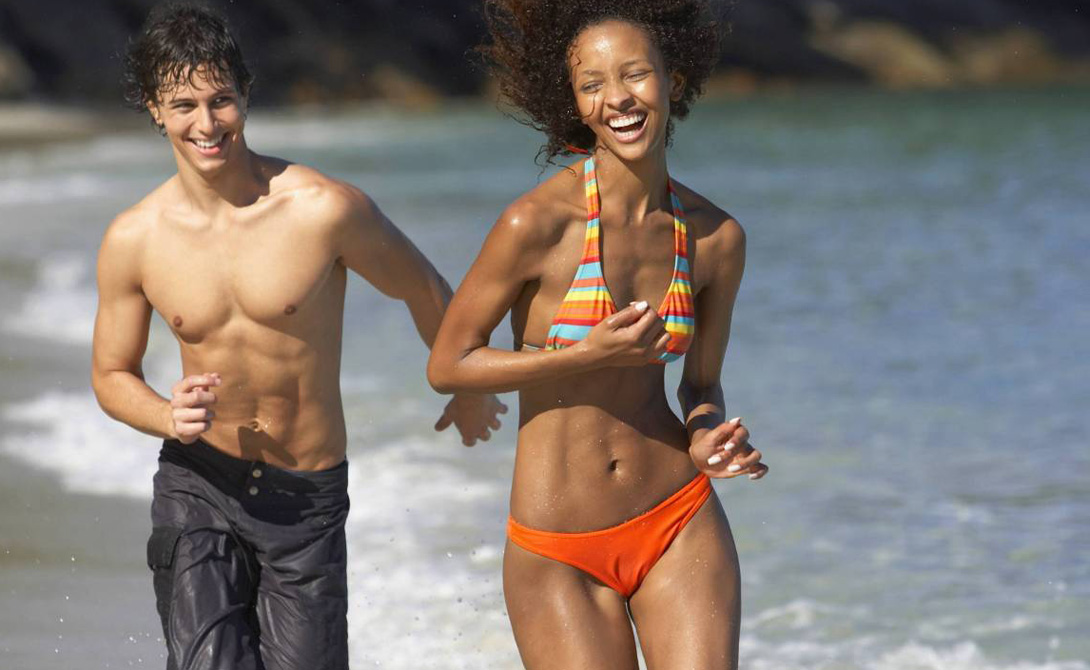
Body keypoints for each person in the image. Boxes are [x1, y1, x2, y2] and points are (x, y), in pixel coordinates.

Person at [90, 4, 505, 669]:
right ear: (155, 110)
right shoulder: (134, 239)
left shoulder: (323, 209)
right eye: (185, 105)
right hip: (200, 482)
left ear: (246, 93)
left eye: (221, 100)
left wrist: (467, 385)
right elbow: (111, 374)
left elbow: (423, 288)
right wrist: (166, 415)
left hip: (306, 498)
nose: (206, 124)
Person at [427, 1, 768, 667]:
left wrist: (707, 436)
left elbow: (701, 383)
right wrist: (582, 355)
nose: (619, 98)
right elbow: (449, 363)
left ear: (672, 79)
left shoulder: (715, 238)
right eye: (593, 84)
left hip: (676, 517)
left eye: (635, 74)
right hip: (558, 548)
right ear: (577, 104)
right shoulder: (538, 225)